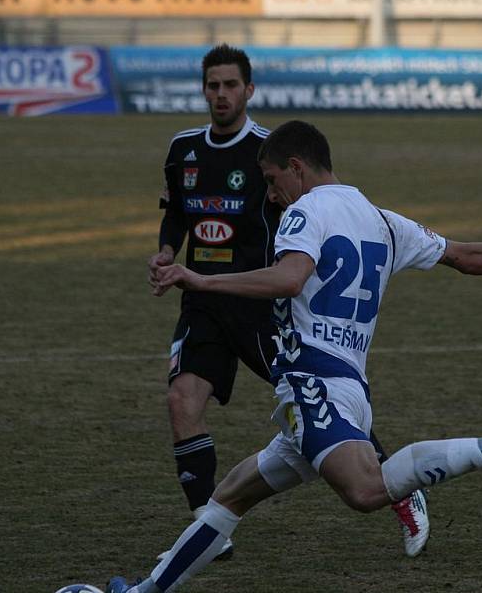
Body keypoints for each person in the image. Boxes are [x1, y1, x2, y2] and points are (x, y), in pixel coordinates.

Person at [106, 120, 482, 593]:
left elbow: (291, 277)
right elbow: (465, 256)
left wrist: (202, 280)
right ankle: (145, 589)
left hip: (312, 384)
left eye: (272, 181)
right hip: (347, 387)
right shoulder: (380, 219)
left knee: (366, 490)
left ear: (296, 168)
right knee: (230, 495)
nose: (271, 196)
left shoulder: (305, 212)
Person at [149, 45, 429, 562]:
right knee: (181, 401)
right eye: (213, 85)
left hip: (265, 304)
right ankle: (211, 528)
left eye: (231, 85)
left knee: (324, 403)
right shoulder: (182, 149)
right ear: (204, 89)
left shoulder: (268, 155)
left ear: (248, 90)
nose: (221, 94)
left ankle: (402, 491)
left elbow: (303, 225)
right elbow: (175, 216)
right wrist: (168, 252)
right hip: (203, 300)